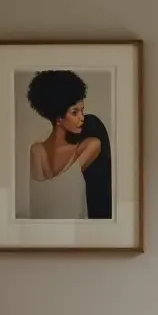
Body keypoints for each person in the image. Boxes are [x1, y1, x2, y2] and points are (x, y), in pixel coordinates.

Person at [27, 70, 105, 219]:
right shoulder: (36, 150)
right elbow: (37, 205)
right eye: (75, 112)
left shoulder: (89, 146)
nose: (82, 118)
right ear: (58, 118)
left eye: (82, 111)